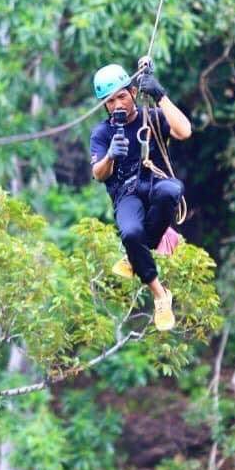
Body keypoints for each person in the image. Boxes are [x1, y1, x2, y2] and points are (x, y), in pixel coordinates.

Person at [89, 62, 191, 331]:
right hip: (127, 194)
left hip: (156, 182)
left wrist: (160, 95)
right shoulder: (103, 133)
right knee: (131, 234)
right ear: (105, 106)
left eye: (122, 96)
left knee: (172, 189)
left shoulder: (153, 117)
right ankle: (160, 294)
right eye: (110, 102)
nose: (117, 105)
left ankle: (133, 257)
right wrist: (110, 155)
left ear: (133, 92)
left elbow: (184, 131)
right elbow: (98, 174)